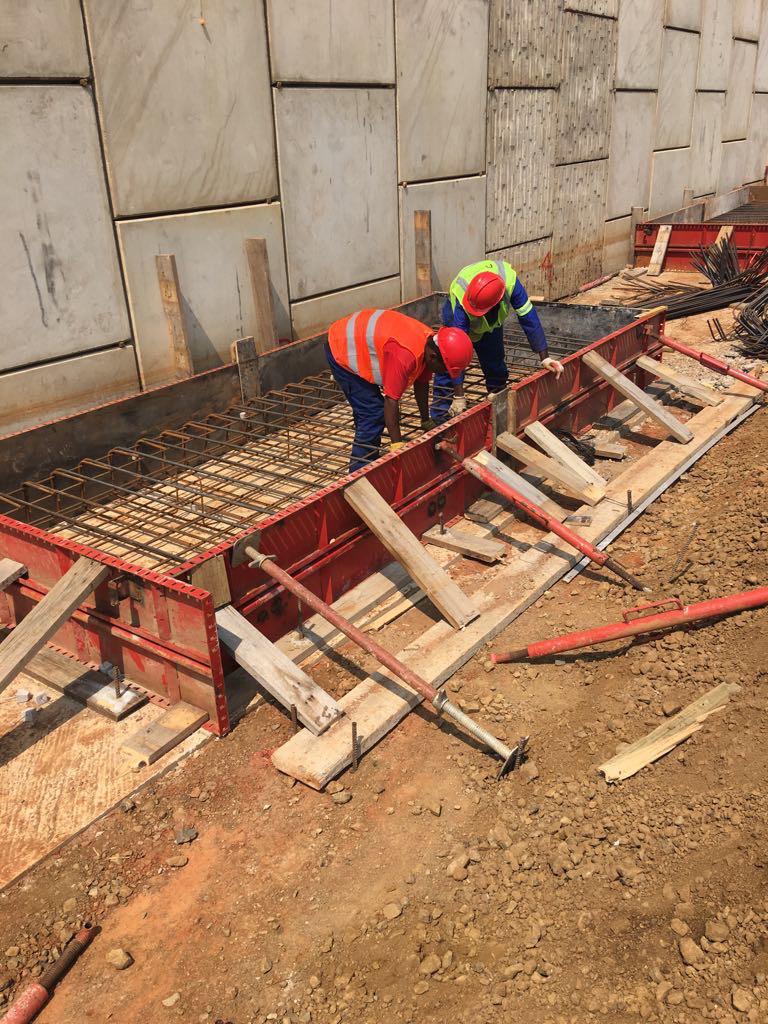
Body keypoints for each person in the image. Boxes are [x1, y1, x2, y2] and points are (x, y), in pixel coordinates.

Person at [326, 308, 473, 473]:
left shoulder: (430, 344)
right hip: (341, 347)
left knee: (368, 411)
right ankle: (359, 472)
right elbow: (391, 400)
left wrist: (425, 420)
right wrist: (397, 445)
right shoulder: (404, 356)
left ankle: (365, 440)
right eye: (444, 368)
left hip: (359, 341)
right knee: (373, 413)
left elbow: (422, 384)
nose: (443, 373)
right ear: (433, 356)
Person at [431, 259, 565, 422]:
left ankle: (497, 407)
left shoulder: (510, 282)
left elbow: (528, 317)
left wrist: (545, 357)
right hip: (458, 317)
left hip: (491, 323)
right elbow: (455, 352)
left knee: (494, 362)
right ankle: (441, 418)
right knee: (447, 362)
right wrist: (459, 394)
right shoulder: (462, 299)